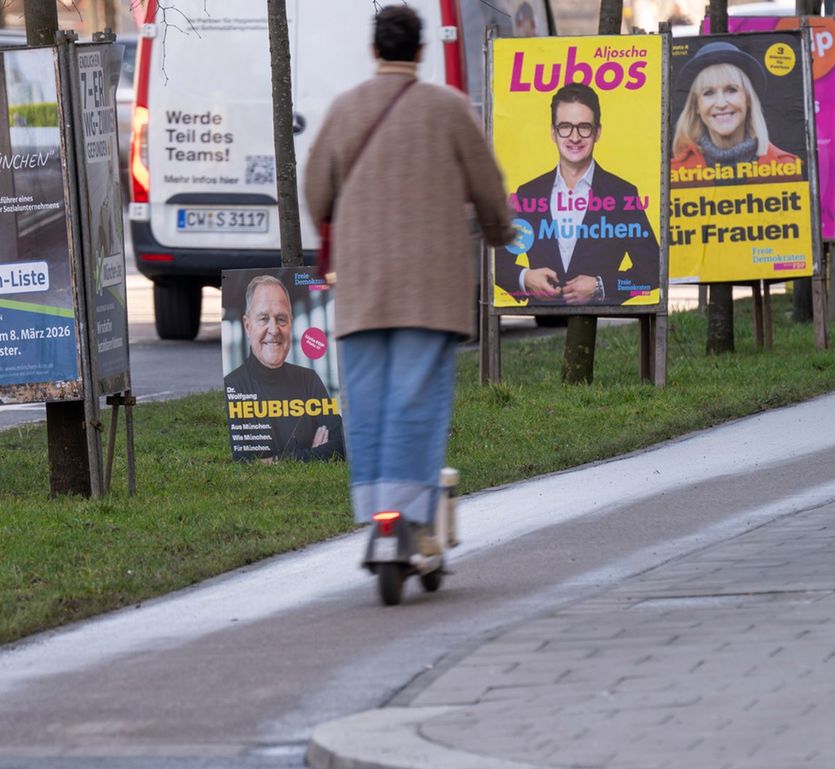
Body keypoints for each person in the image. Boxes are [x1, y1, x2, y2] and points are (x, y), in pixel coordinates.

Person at [304, 5, 512, 552]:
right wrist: (497, 231)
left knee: (367, 400)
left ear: (374, 50)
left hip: (361, 286)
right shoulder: (449, 109)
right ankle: (413, 516)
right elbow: (489, 184)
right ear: (421, 52)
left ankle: (376, 513)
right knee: (417, 399)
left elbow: (316, 193)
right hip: (431, 289)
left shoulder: (346, 109)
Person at [494, 83, 659, 305]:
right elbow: (497, 264)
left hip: (601, 326)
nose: (574, 137)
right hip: (544, 322)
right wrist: (525, 278)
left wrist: (601, 286)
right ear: (553, 132)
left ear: (597, 132)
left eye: (584, 127)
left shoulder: (621, 193)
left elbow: (652, 271)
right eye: (565, 127)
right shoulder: (528, 193)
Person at [223, 275, 343, 462]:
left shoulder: (308, 379)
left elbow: (341, 445)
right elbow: (242, 462)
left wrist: (278, 460)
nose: (274, 329)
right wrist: (314, 455)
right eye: (263, 319)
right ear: (248, 326)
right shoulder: (232, 386)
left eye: (281, 319)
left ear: (291, 323)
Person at [670, 42, 800, 181]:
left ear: (748, 99)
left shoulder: (786, 167)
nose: (721, 104)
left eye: (731, 90)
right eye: (708, 93)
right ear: (696, 106)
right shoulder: (676, 173)